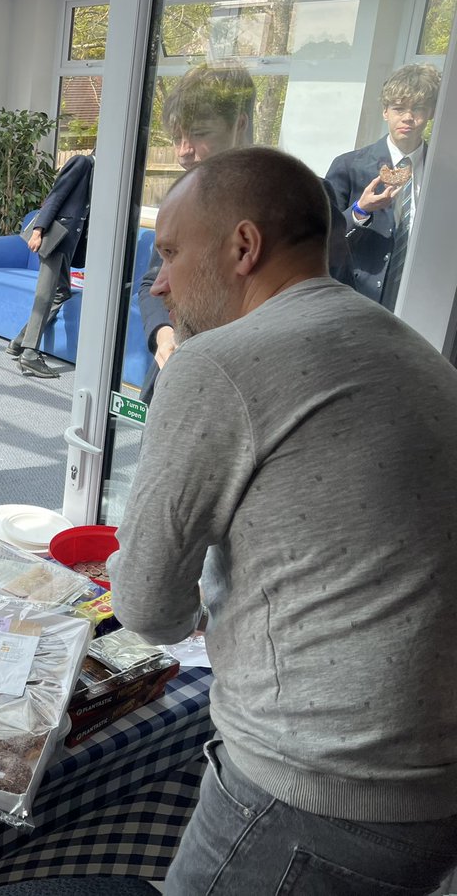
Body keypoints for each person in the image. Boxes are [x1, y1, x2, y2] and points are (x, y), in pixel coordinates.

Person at [107, 147, 457, 893]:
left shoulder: (215, 365)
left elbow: (144, 605)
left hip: (318, 794)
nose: (159, 281)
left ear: (243, 246)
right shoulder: (408, 347)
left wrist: (192, 610)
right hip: (428, 800)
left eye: (169, 252)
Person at [136, 61, 354, 403]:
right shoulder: (185, 197)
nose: (183, 151)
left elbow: (322, 302)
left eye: (199, 133)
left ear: (239, 124)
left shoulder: (303, 197)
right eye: (177, 137)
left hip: (258, 395)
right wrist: (164, 335)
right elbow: (153, 282)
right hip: (178, 381)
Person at [324, 63, 440, 311]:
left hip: (422, 302)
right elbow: (321, 238)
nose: (408, 117)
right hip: (354, 300)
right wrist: (360, 211)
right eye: (399, 108)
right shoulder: (349, 166)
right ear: (385, 112)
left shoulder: (442, 175)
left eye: (418, 108)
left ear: (431, 112)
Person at [4, 152, 94, 380]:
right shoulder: (82, 163)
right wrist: (38, 230)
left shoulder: (99, 174)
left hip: (67, 243)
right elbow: (56, 195)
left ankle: (20, 342)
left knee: (61, 293)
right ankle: (30, 354)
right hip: (55, 238)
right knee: (45, 296)